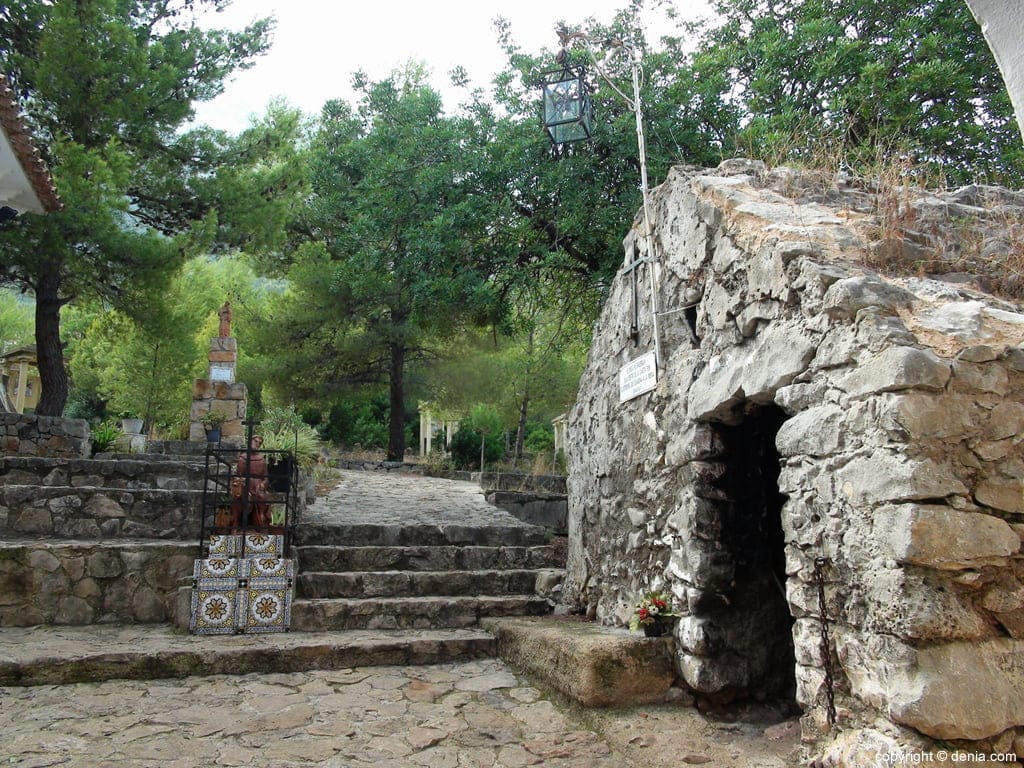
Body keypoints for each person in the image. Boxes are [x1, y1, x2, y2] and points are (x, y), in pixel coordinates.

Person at [231, 435, 270, 528]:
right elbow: (238, 475)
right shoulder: (243, 458)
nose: (257, 444)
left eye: (259, 443)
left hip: (257, 486)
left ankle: (261, 521)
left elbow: (266, 478)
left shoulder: (262, 460)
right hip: (245, 484)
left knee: (263, 497)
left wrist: (262, 484)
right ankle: (235, 523)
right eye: (255, 441)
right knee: (237, 497)